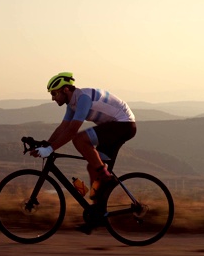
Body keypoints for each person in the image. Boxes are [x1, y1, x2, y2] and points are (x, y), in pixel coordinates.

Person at [31, 72, 137, 201]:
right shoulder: (72, 104)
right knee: (93, 167)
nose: (53, 98)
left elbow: (72, 130)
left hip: (124, 125)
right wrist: (46, 144)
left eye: (54, 93)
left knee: (79, 139)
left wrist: (50, 149)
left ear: (66, 89)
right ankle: (98, 207)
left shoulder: (83, 98)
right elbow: (63, 127)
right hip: (116, 127)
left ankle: (107, 178)